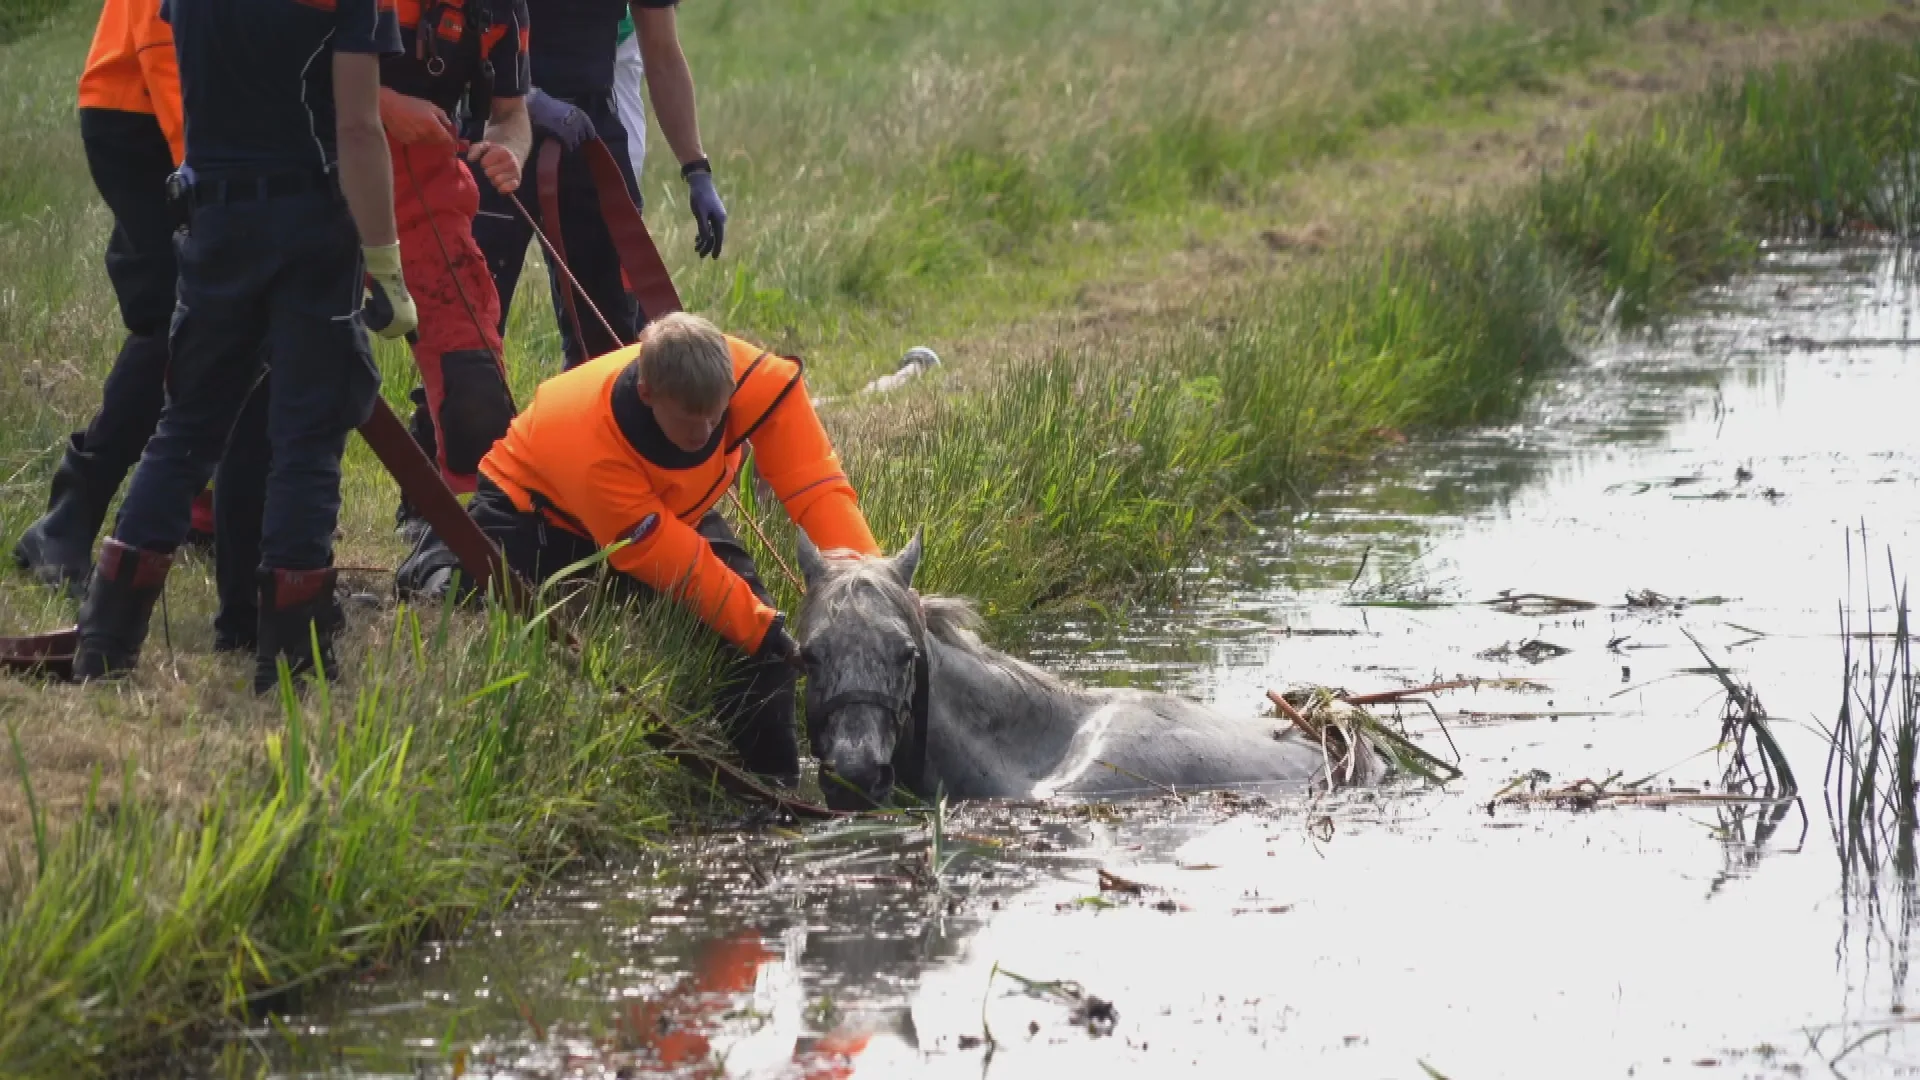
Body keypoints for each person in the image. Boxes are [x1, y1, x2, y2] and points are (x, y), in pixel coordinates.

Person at [73, 0, 416, 690]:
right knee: (306, 438)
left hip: (216, 217)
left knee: (186, 429)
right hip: (311, 225)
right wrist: (385, 263)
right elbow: (357, 124)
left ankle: (106, 641)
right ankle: (289, 659)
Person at [398, 312, 879, 781]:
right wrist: (763, 628)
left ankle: (772, 786)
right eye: (691, 422)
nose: (706, 435)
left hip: (671, 507)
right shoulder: (590, 443)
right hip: (537, 514)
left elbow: (816, 487)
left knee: (760, 657)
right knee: (471, 595)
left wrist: (875, 589)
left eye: (716, 419)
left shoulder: (759, 381)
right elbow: (671, 559)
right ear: (648, 394)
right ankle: (433, 557)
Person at [15, 0, 213, 594]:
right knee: (176, 318)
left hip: (200, 121)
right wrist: (212, 181)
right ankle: (65, 522)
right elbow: (170, 59)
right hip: (138, 114)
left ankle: (214, 515)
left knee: (223, 316)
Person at [470, 0, 727, 371]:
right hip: (493, 131)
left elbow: (662, 52)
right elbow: (453, 42)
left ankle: (596, 424)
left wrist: (696, 168)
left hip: (590, 130)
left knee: (612, 343)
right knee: (470, 334)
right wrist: (527, 99)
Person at [378, 0, 531, 504]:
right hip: (305, 167)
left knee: (474, 385)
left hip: (426, 182)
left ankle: (469, 534)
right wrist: (382, 105)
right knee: (281, 364)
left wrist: (510, 151)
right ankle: (228, 528)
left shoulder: (502, 10)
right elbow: (280, 68)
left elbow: (511, 114)